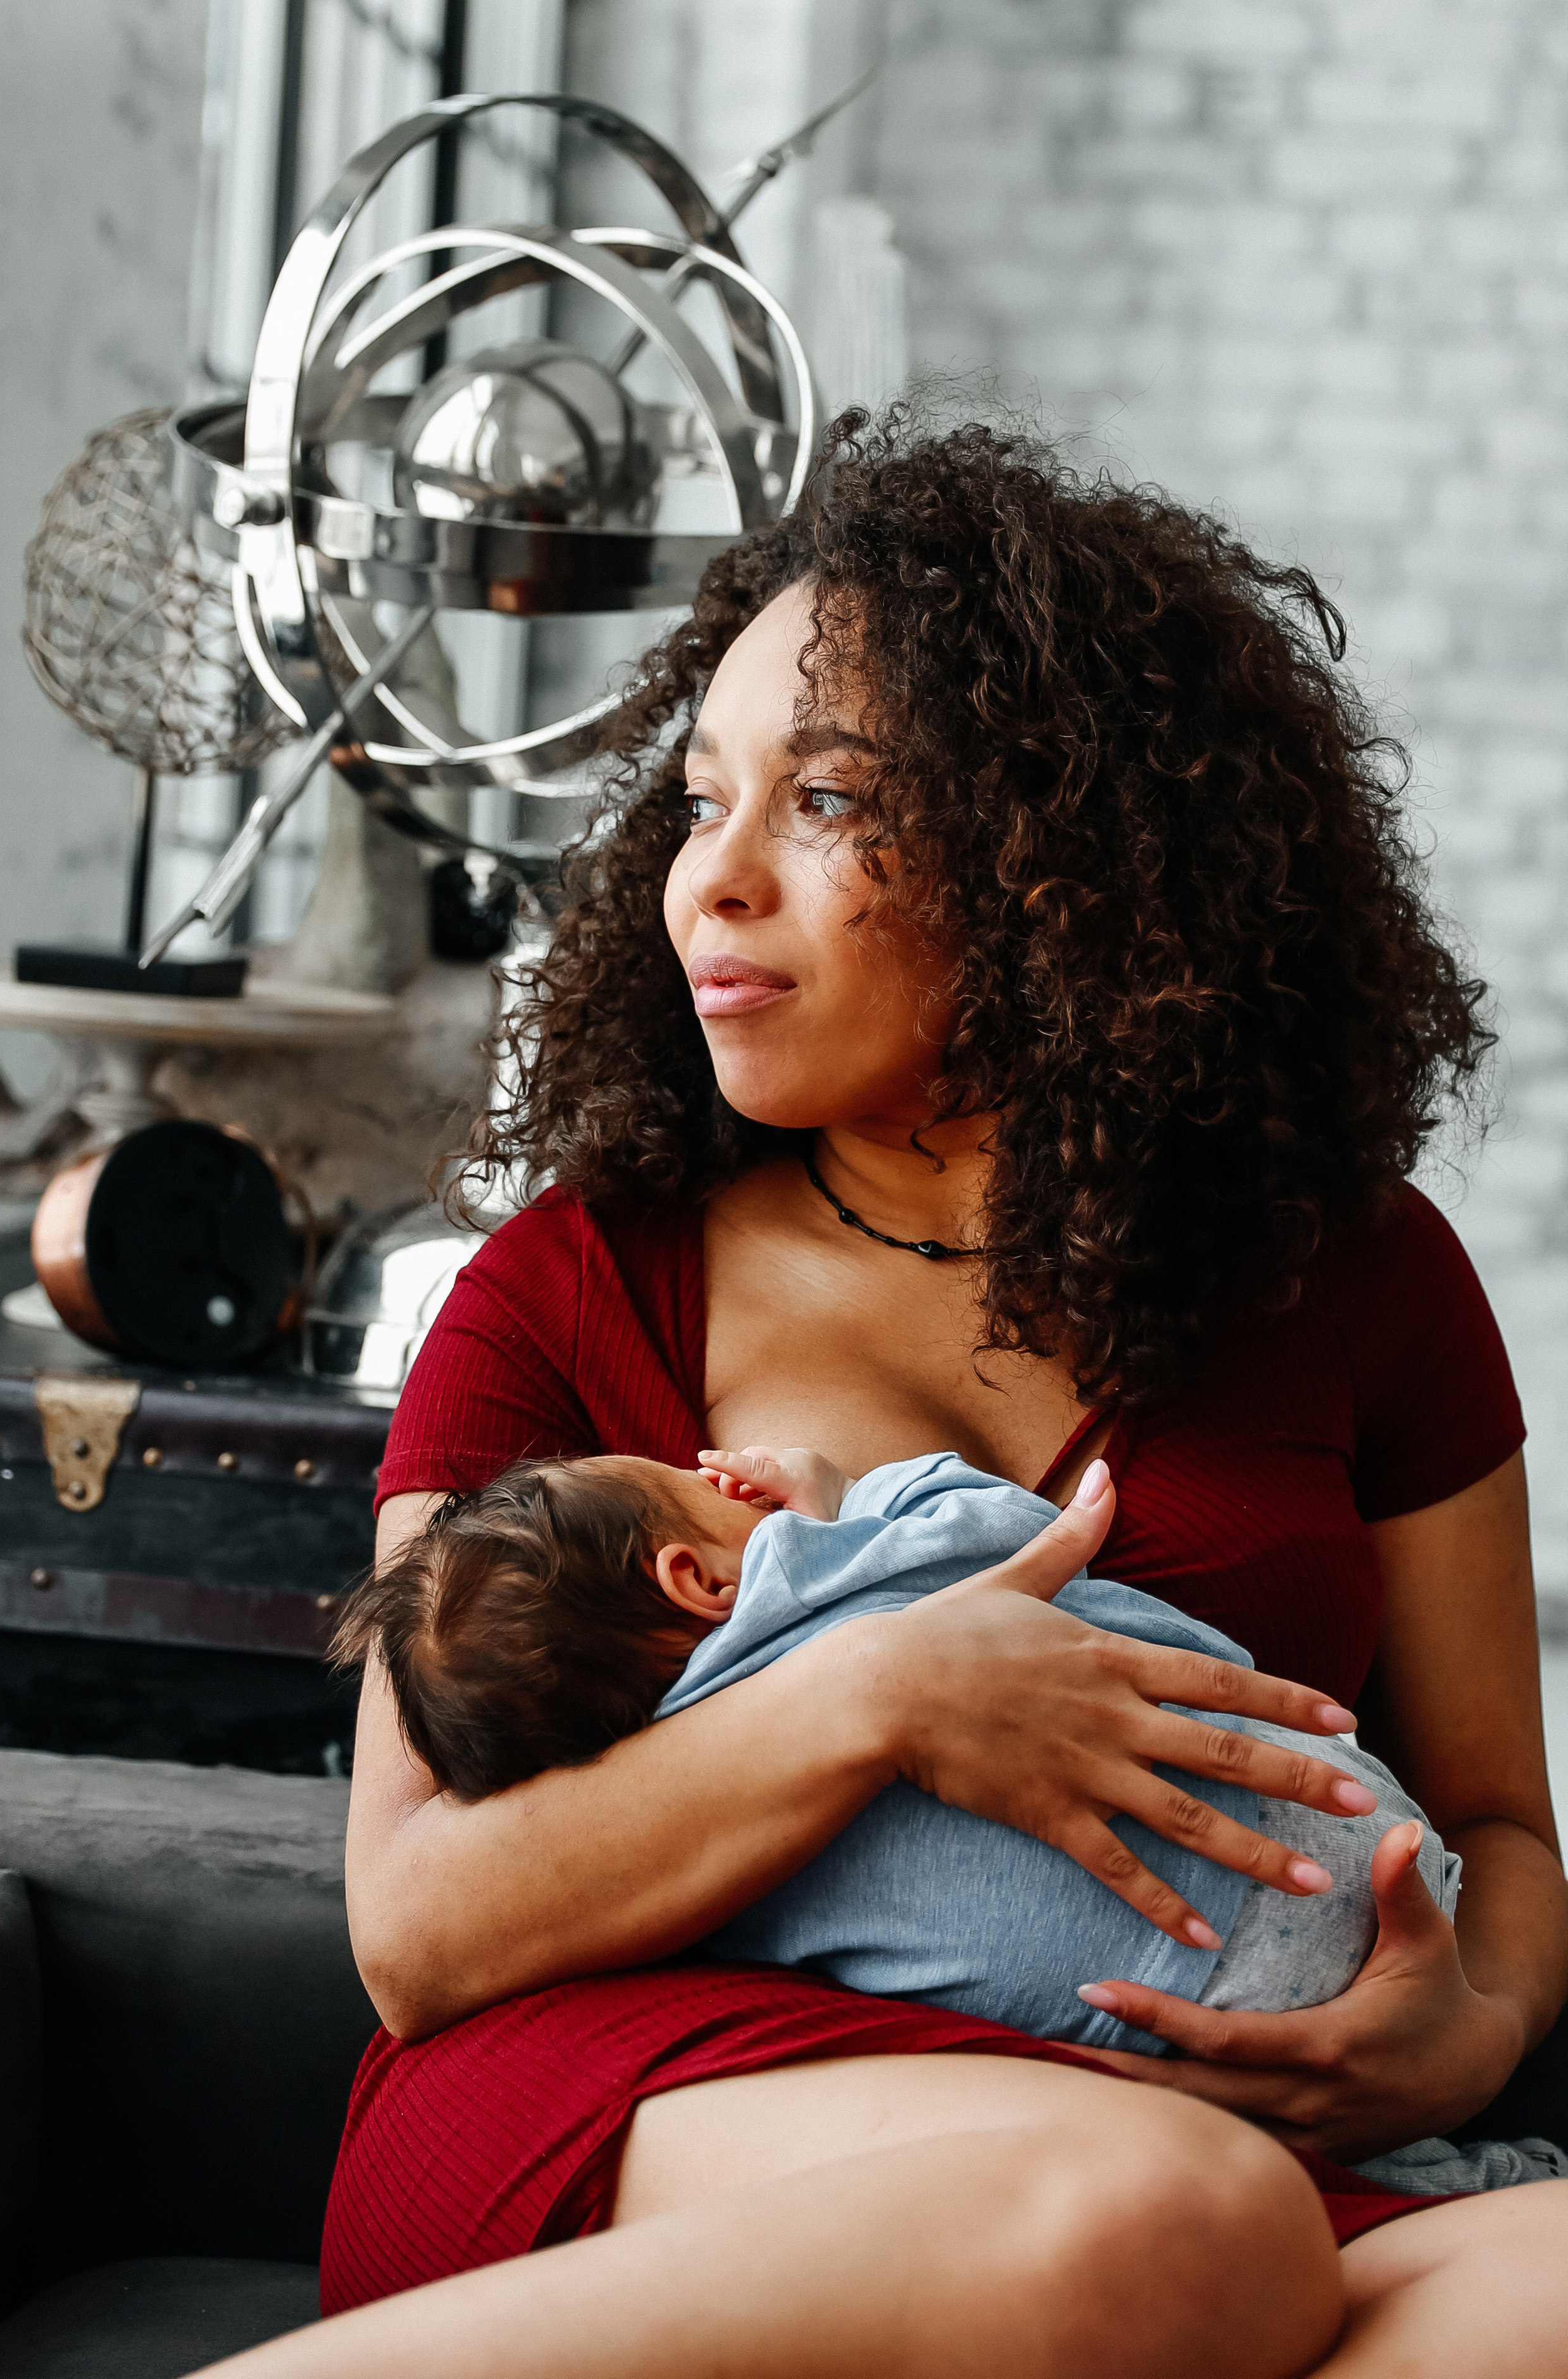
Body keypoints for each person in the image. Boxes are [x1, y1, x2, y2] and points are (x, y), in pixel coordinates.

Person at [201, 414, 1568, 2379]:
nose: (712, 885)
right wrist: (880, 1696)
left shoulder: (1363, 1277)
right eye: (696, 803)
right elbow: (419, 1925)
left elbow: (1505, 1827)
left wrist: (1476, 2024)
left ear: (1065, 852)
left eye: (826, 802)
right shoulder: (568, 1295)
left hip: (1228, 2123)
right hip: (678, 2096)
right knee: (1167, 2222)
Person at [335, 1440, 1469, 2070]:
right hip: (1357, 1860)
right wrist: (847, 1507)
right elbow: (1016, 1537)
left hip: (1186, 2039)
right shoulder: (810, 1571)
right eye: (695, 1488)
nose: (724, 1483)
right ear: (695, 1580)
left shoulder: (690, 1879)